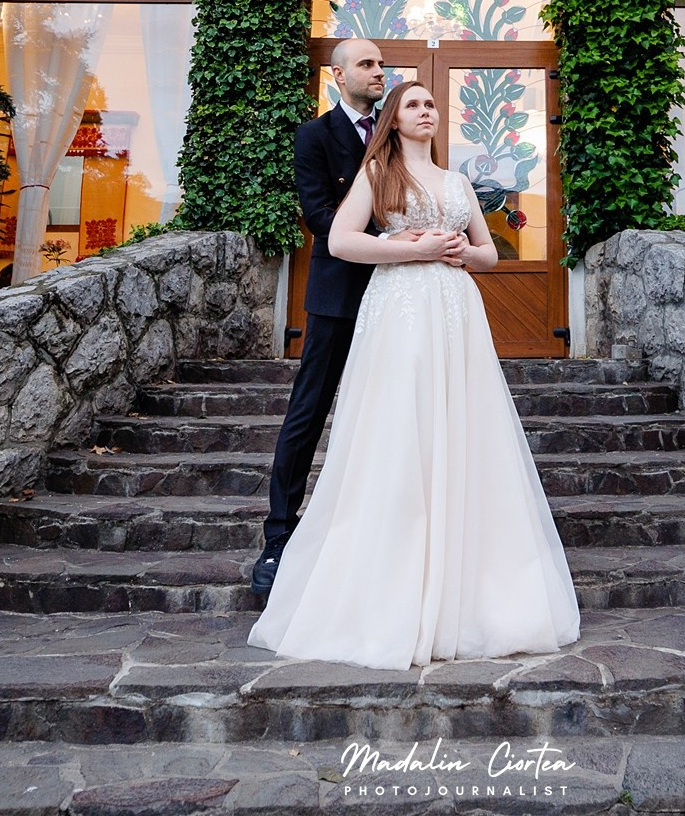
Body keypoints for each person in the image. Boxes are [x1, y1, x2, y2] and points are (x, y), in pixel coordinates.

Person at [247, 79, 581, 669]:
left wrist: (461, 253)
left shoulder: (458, 183)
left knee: (463, 426)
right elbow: (342, 241)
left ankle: (468, 580)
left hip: (454, 309)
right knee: (402, 426)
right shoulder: (378, 175)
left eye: (430, 104)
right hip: (399, 307)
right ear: (394, 120)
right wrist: (410, 249)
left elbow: (489, 253)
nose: (426, 111)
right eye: (413, 104)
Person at [252, 38, 396, 597]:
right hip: (338, 293)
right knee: (308, 412)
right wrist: (391, 239)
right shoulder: (314, 136)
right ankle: (278, 537)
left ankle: (385, 535)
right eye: (367, 64)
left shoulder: (398, 131)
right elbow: (318, 215)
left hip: (399, 291)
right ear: (339, 75)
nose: (379, 71)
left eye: (381, 64)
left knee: (396, 410)